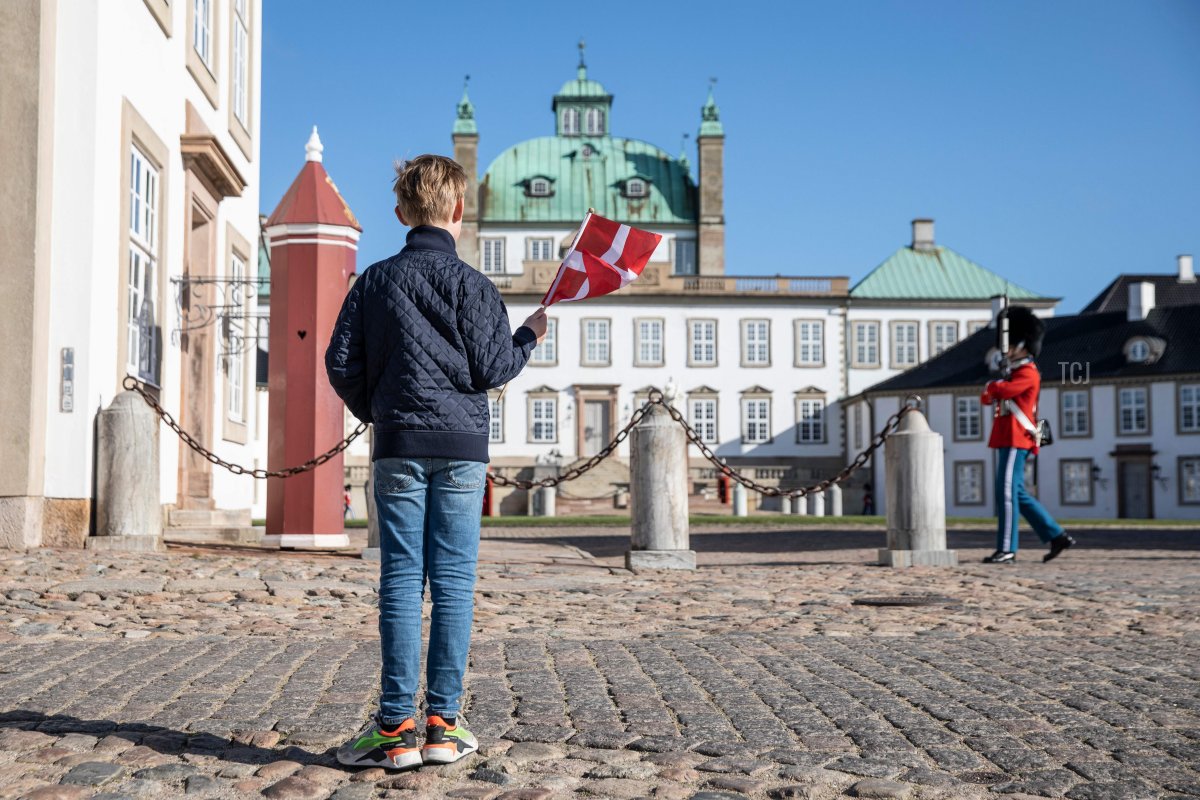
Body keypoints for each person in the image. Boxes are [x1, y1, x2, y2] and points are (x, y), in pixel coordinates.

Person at [325, 154, 547, 770]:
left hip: (398, 444)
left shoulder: (373, 281)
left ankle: (396, 729)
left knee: (400, 582)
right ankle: (443, 726)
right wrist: (528, 336)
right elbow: (493, 368)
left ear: (400, 213)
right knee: (452, 586)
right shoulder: (476, 285)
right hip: (461, 450)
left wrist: (381, 408)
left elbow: (340, 363)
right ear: (459, 211)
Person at [980, 306, 1074, 564]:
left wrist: (994, 385)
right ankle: (1056, 535)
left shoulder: (1027, 373)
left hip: (1016, 437)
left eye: (1011, 345)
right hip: (1007, 437)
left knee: (1007, 493)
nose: (1007, 350)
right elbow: (987, 398)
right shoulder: (1015, 372)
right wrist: (995, 386)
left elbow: (997, 392)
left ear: (1023, 345)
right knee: (1017, 492)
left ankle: (1007, 548)